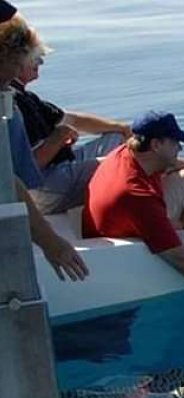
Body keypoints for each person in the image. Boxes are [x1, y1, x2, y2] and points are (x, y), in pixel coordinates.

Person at [82, 111, 184, 301]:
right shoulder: (137, 195)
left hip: (131, 217)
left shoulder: (129, 152)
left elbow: (174, 163)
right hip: (123, 238)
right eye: (175, 142)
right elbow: (178, 258)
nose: (180, 148)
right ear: (156, 145)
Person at [1, 5, 88, 281]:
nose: (16, 72)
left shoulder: (9, 98)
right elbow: (7, 179)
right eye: (16, 64)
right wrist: (50, 242)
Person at [11, 34, 130, 214]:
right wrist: (59, 136)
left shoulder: (26, 97)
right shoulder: (12, 101)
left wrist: (122, 128)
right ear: (17, 62)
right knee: (130, 163)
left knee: (117, 138)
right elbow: (30, 169)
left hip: (60, 167)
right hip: (42, 186)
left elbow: (72, 119)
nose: (41, 62)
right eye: (35, 58)